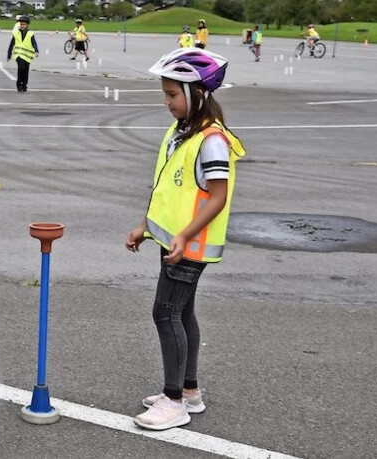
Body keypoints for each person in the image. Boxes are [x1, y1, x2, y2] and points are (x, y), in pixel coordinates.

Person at [126, 48, 245, 430]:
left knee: (165, 313)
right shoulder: (183, 133)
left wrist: (183, 235)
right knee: (183, 312)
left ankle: (173, 402)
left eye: (173, 95)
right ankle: (188, 392)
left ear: (196, 95)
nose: (167, 102)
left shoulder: (211, 140)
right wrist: (145, 226)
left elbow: (218, 196)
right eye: (165, 93)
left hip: (188, 246)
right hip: (177, 241)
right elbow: (169, 190)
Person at [7, 16, 38, 93]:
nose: (22, 26)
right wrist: (9, 54)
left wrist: (36, 51)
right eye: (21, 24)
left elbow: (34, 43)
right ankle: (19, 84)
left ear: (27, 25)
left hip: (27, 56)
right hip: (19, 55)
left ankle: (24, 85)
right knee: (21, 69)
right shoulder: (16, 33)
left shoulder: (30, 34)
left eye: (23, 24)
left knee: (26, 71)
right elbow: (12, 44)